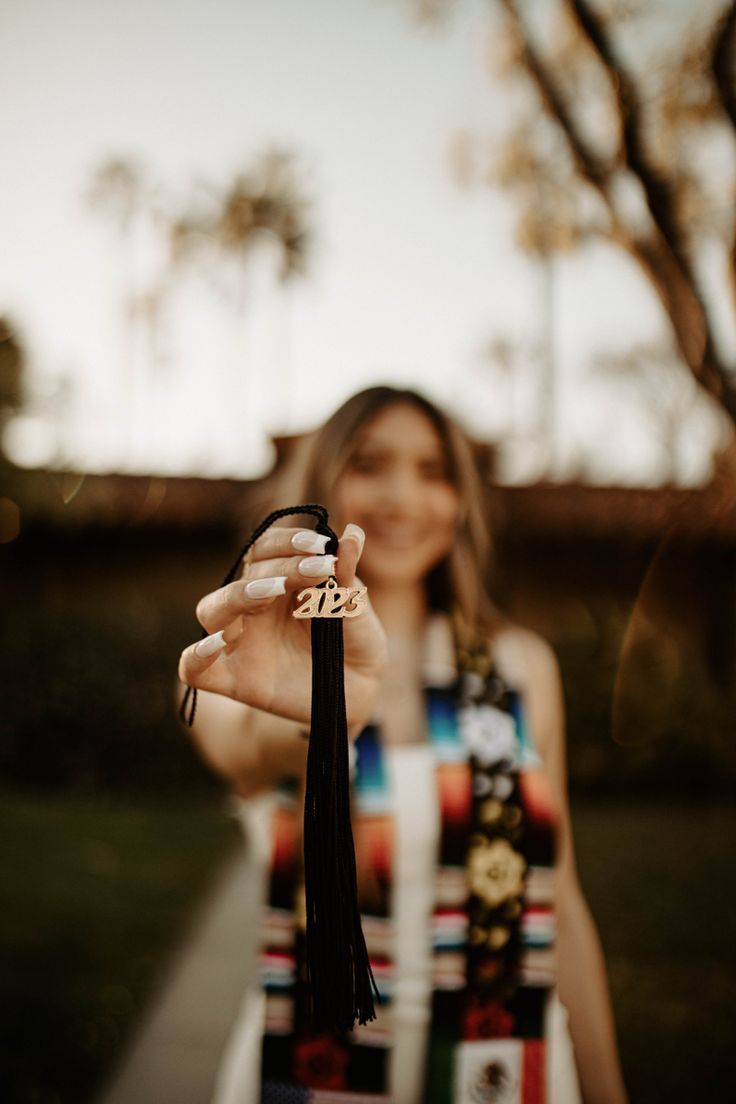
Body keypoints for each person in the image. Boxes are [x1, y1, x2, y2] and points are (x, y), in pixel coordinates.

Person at [178, 386, 629, 1104]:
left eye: (433, 472)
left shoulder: (523, 669)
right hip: (311, 1071)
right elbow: (247, 750)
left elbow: (561, 906)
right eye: (369, 463)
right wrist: (321, 709)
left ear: (461, 501)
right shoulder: (242, 664)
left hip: (510, 1070)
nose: (401, 497)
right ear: (321, 482)